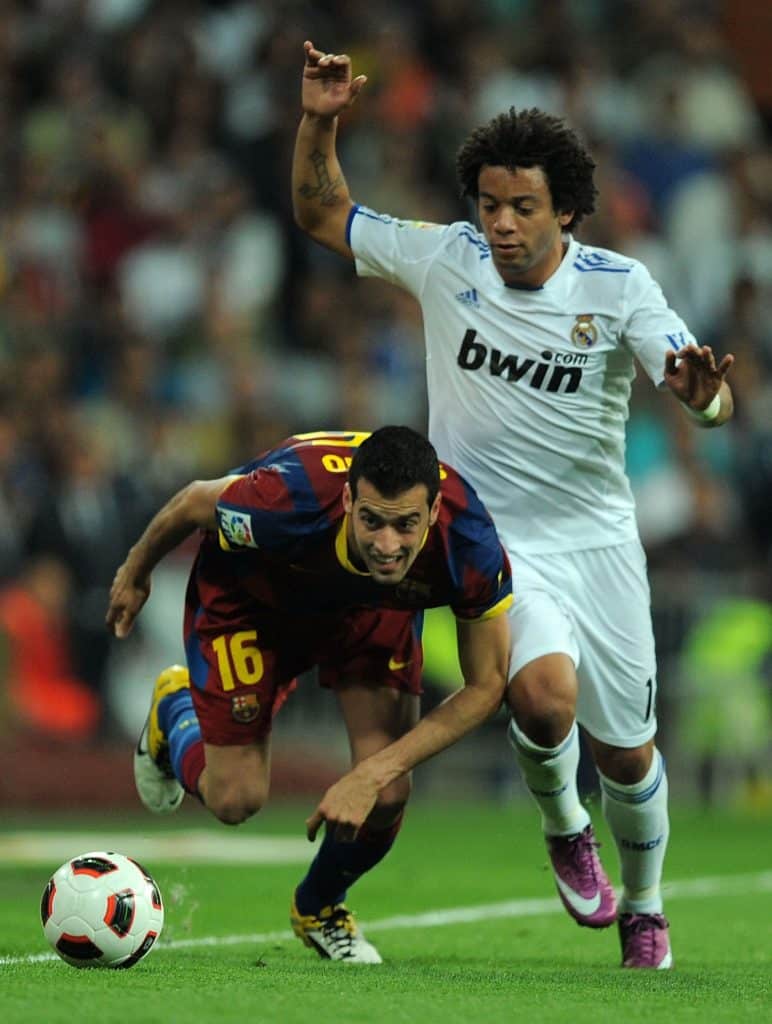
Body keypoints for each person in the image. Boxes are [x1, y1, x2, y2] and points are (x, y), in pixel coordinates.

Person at [291, 41, 736, 970]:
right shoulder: (443, 259)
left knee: (630, 755)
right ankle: (566, 828)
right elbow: (322, 211)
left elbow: (710, 396)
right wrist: (321, 119)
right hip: (492, 541)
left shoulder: (620, 289)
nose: (499, 224)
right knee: (540, 700)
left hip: (599, 544)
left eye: (521, 207)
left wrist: (703, 394)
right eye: (488, 204)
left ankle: (645, 907)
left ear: (565, 209)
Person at [106, 426, 511, 963]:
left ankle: (319, 906)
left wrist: (372, 772)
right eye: (371, 520)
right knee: (235, 799)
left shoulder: (470, 542)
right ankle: (173, 711)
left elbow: (487, 686)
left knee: (387, 793)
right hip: (254, 600)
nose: (388, 545)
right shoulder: (284, 500)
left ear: (434, 512)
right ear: (347, 499)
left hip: (371, 613)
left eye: (406, 524)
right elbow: (191, 503)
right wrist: (136, 571)